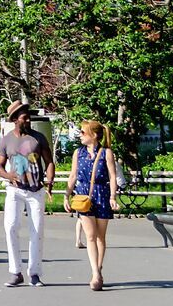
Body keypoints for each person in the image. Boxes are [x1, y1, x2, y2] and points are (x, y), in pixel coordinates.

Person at [0, 101, 55, 288]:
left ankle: (35, 273)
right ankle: (16, 272)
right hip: (14, 190)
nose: (28, 120)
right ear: (15, 119)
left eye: (29, 116)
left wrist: (50, 181)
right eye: (24, 117)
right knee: (11, 227)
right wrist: (8, 175)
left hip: (35, 190)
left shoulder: (38, 138)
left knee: (37, 231)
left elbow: (49, 162)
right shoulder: (6, 140)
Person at [65, 119, 120, 291]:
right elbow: (73, 176)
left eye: (82, 132)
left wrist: (112, 196)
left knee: (100, 237)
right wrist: (66, 195)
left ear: (94, 135)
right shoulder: (78, 153)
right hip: (83, 197)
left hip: (102, 195)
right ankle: (95, 273)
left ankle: (99, 267)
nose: (79, 135)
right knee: (90, 236)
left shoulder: (106, 153)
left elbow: (112, 176)